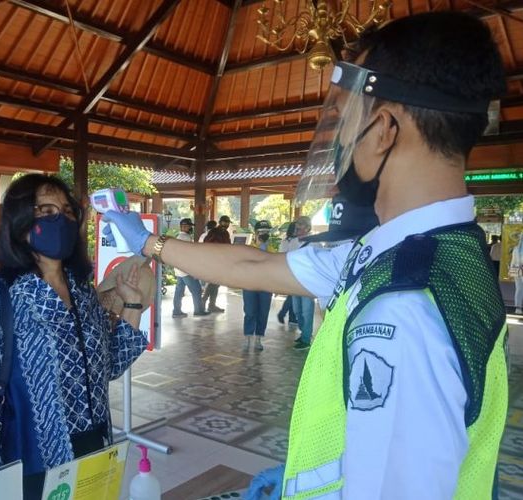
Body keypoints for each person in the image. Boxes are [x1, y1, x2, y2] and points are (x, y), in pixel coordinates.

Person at [104, 12, 507, 498]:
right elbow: (254, 266)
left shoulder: (404, 307)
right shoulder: (426, 256)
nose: (340, 139)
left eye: (347, 116)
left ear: (382, 130)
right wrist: (150, 243)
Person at [0, 174, 148, 498]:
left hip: (95, 457)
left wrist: (133, 303)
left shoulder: (83, 294)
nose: (61, 219)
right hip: (29, 467)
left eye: (67, 212)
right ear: (21, 223)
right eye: (46, 210)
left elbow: (106, 369)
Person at [242, 221, 276, 351]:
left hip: (266, 285)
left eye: (267, 232)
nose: (264, 234)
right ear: (256, 233)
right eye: (262, 232)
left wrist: (265, 248)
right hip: (250, 285)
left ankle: (258, 339)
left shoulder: (271, 249)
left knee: (263, 312)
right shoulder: (249, 248)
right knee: (250, 311)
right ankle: (248, 337)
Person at [288, 216, 316, 350]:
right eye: (296, 227)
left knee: (306, 311)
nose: (297, 229)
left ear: (307, 228)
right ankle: (304, 332)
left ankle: (306, 338)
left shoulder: (315, 243)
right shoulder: (293, 242)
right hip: (294, 281)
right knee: (297, 310)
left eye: (299, 227)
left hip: (308, 282)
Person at [172, 218, 208, 318]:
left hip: (178, 269)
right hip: (186, 269)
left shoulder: (178, 237)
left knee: (179, 291)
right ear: (184, 227)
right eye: (189, 226)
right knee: (196, 290)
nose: (190, 228)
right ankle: (198, 310)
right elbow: (189, 255)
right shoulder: (186, 238)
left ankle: (176, 311)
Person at [202, 226, 231, 313]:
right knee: (213, 282)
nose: (226, 224)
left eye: (227, 222)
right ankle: (205, 301)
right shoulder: (216, 232)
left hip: (218, 260)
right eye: (224, 222)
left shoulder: (223, 233)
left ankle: (211, 304)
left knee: (216, 283)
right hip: (215, 259)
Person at [275, 223, 297, 326]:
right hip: (294, 270)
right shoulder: (296, 241)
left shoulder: (284, 241)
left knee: (293, 295)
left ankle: (291, 317)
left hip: (286, 270)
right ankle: (283, 314)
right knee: (293, 295)